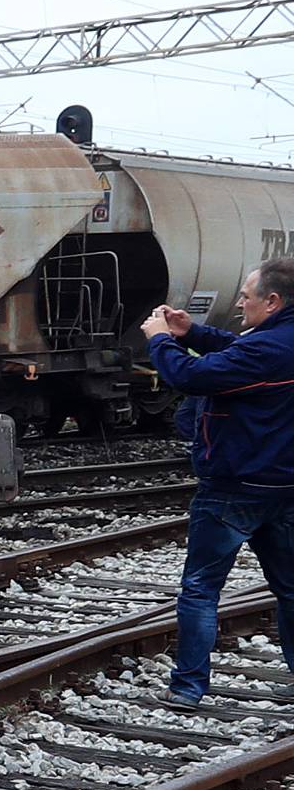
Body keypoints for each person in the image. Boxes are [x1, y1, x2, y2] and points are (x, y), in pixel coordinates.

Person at [142, 258, 294, 708]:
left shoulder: (266, 350)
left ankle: (188, 687)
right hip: (286, 491)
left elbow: (188, 376)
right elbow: (241, 352)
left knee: (201, 589)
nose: (240, 302)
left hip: (233, 487)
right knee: (289, 589)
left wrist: (161, 341)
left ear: (273, 300)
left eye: (247, 296)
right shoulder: (278, 343)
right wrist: (194, 333)